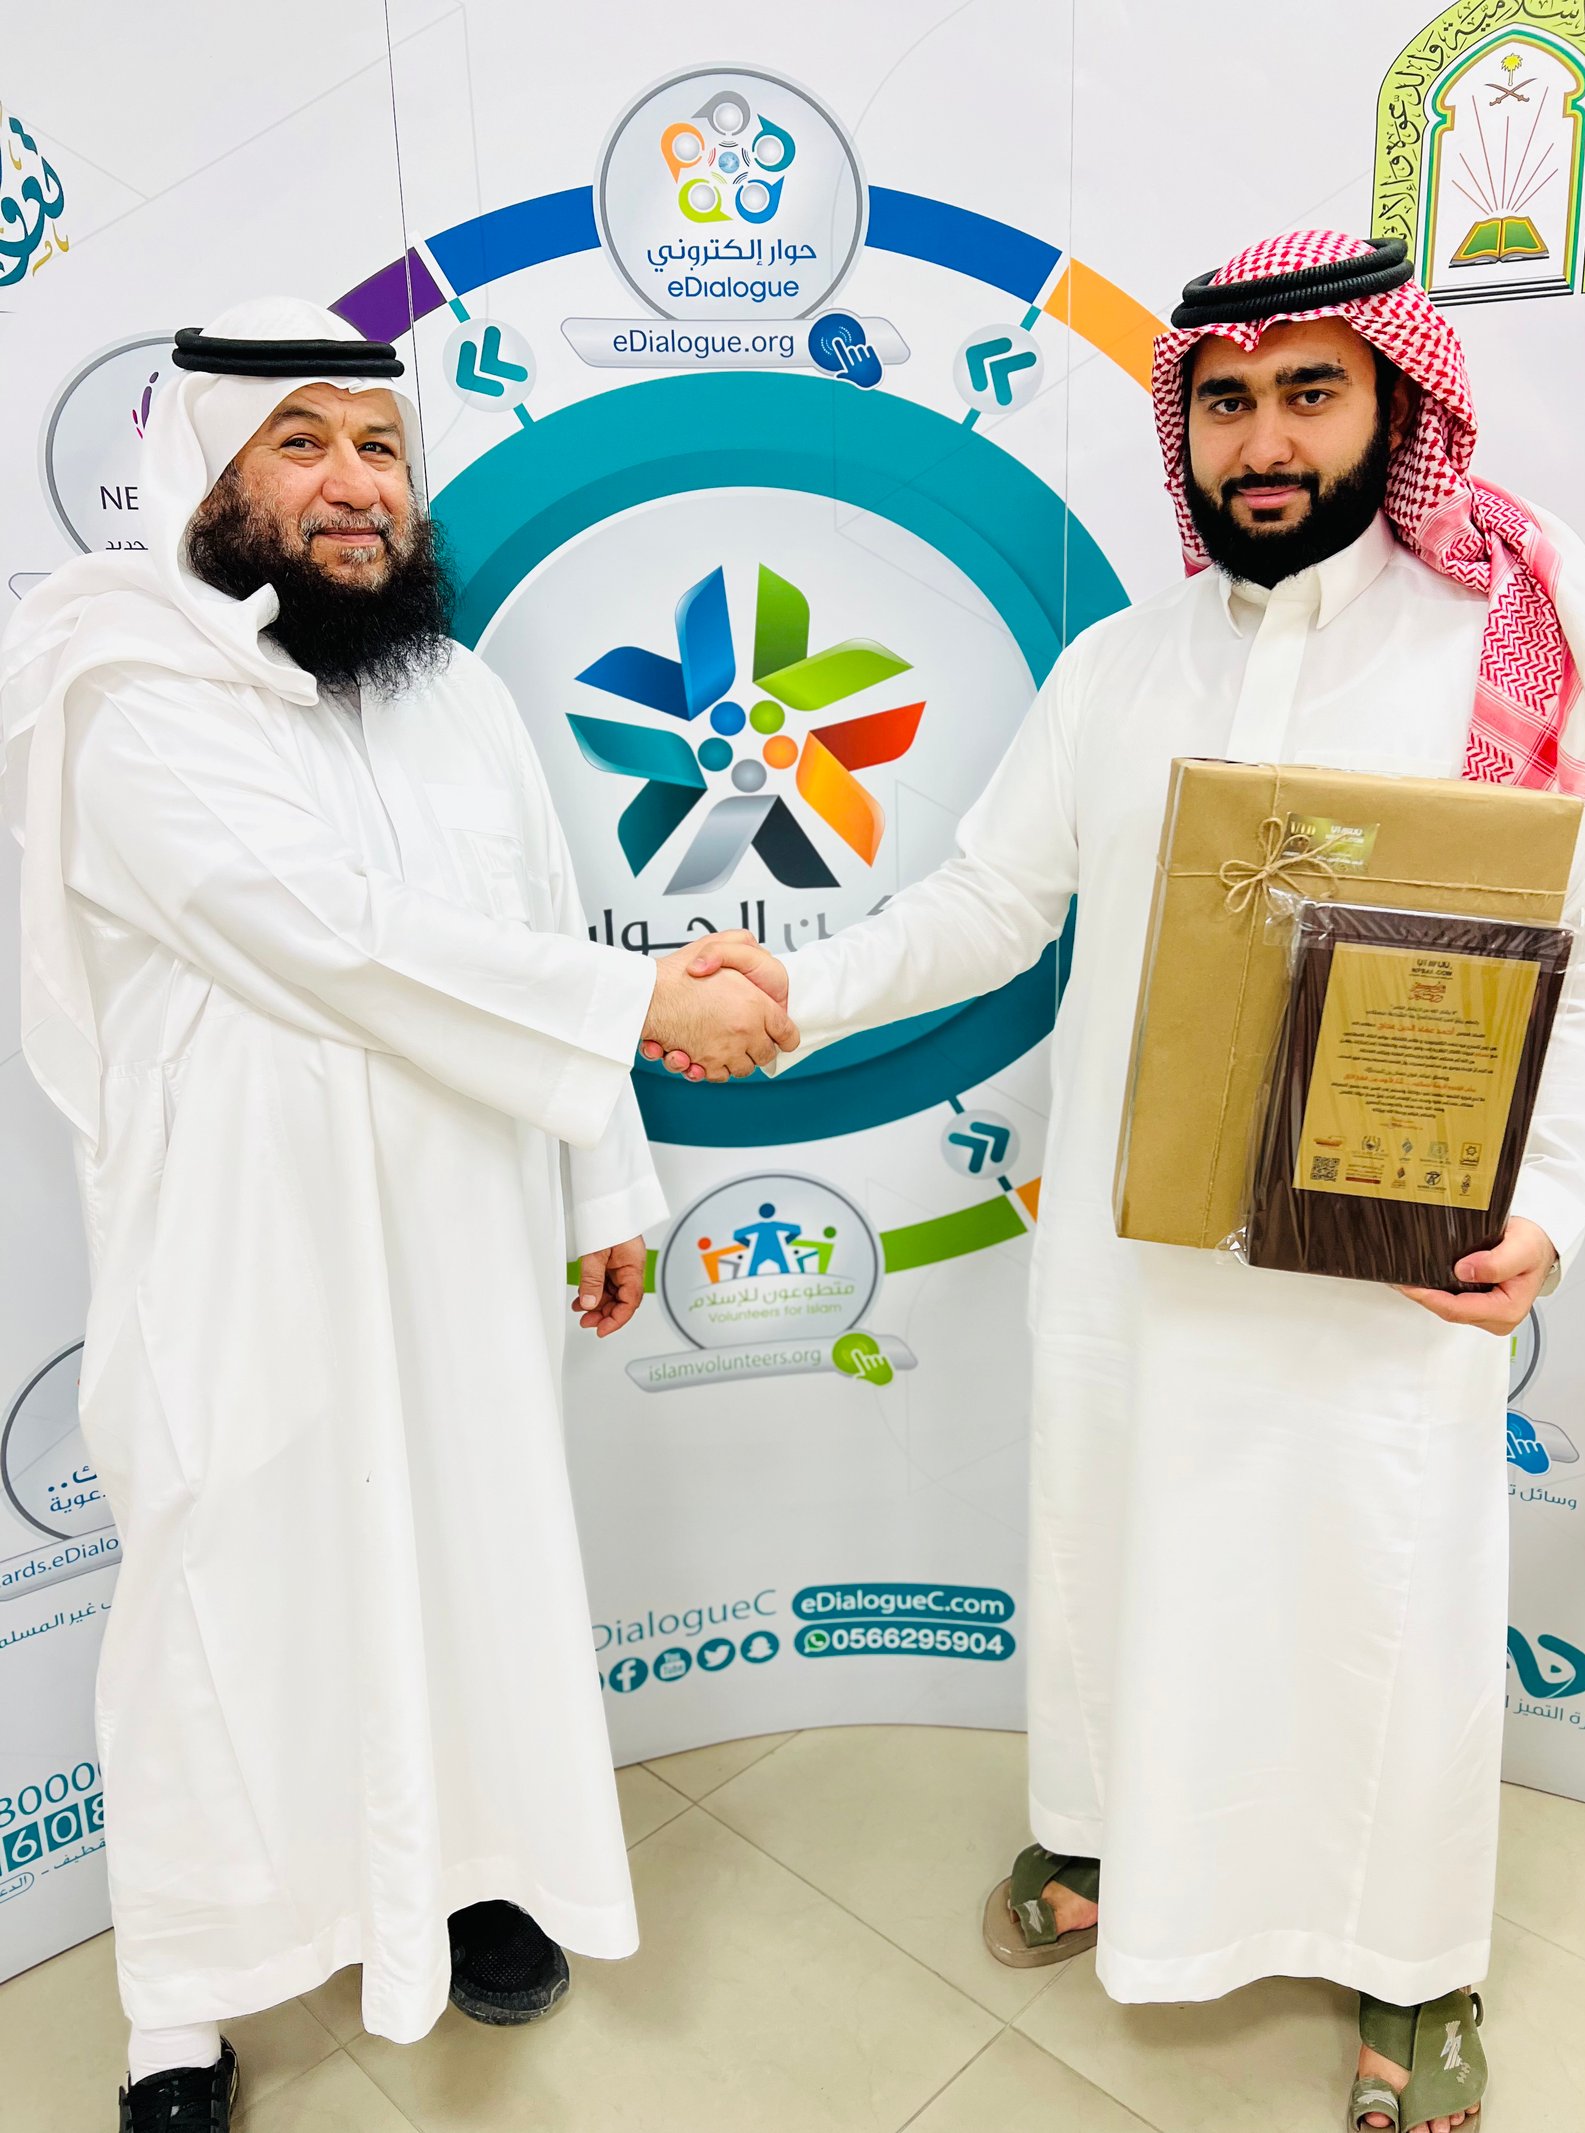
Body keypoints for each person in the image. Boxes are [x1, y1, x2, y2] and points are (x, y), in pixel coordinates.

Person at [651, 233, 1585, 2132]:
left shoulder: (1498, 654)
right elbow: (995, 904)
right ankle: (1095, 1841)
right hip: (1136, 1249)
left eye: (1313, 394)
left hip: (1380, 1263)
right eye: (1229, 400)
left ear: (1396, 404)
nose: (1266, 442)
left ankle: (1412, 1962)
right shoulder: (1119, 666)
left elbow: (1575, 943)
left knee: (1381, 1596)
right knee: (1118, 1558)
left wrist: (1550, 1201)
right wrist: (798, 984)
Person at [0, 298, 794, 2132]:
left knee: (468, 1551)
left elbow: (525, 921)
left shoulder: (457, 695)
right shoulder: (118, 683)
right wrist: (648, 1010)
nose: (357, 486)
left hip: (462, 1212)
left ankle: (468, 1873)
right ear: (205, 469)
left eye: (380, 445)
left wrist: (605, 1170)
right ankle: (181, 2008)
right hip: (240, 1252)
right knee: (226, 1597)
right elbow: (313, 938)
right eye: (302, 442)